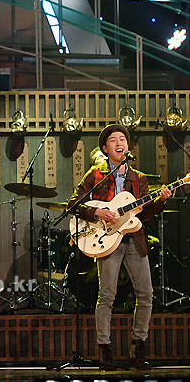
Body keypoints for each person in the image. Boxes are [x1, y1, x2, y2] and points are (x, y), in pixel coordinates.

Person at [67, 124, 171, 370]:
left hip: (134, 239)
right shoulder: (96, 174)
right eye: (113, 140)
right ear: (105, 148)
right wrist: (97, 212)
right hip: (107, 239)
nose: (119, 143)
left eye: (122, 139)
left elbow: (144, 214)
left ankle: (138, 349)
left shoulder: (139, 178)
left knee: (145, 294)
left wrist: (160, 201)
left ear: (128, 146)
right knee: (107, 295)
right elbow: (73, 204)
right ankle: (105, 351)